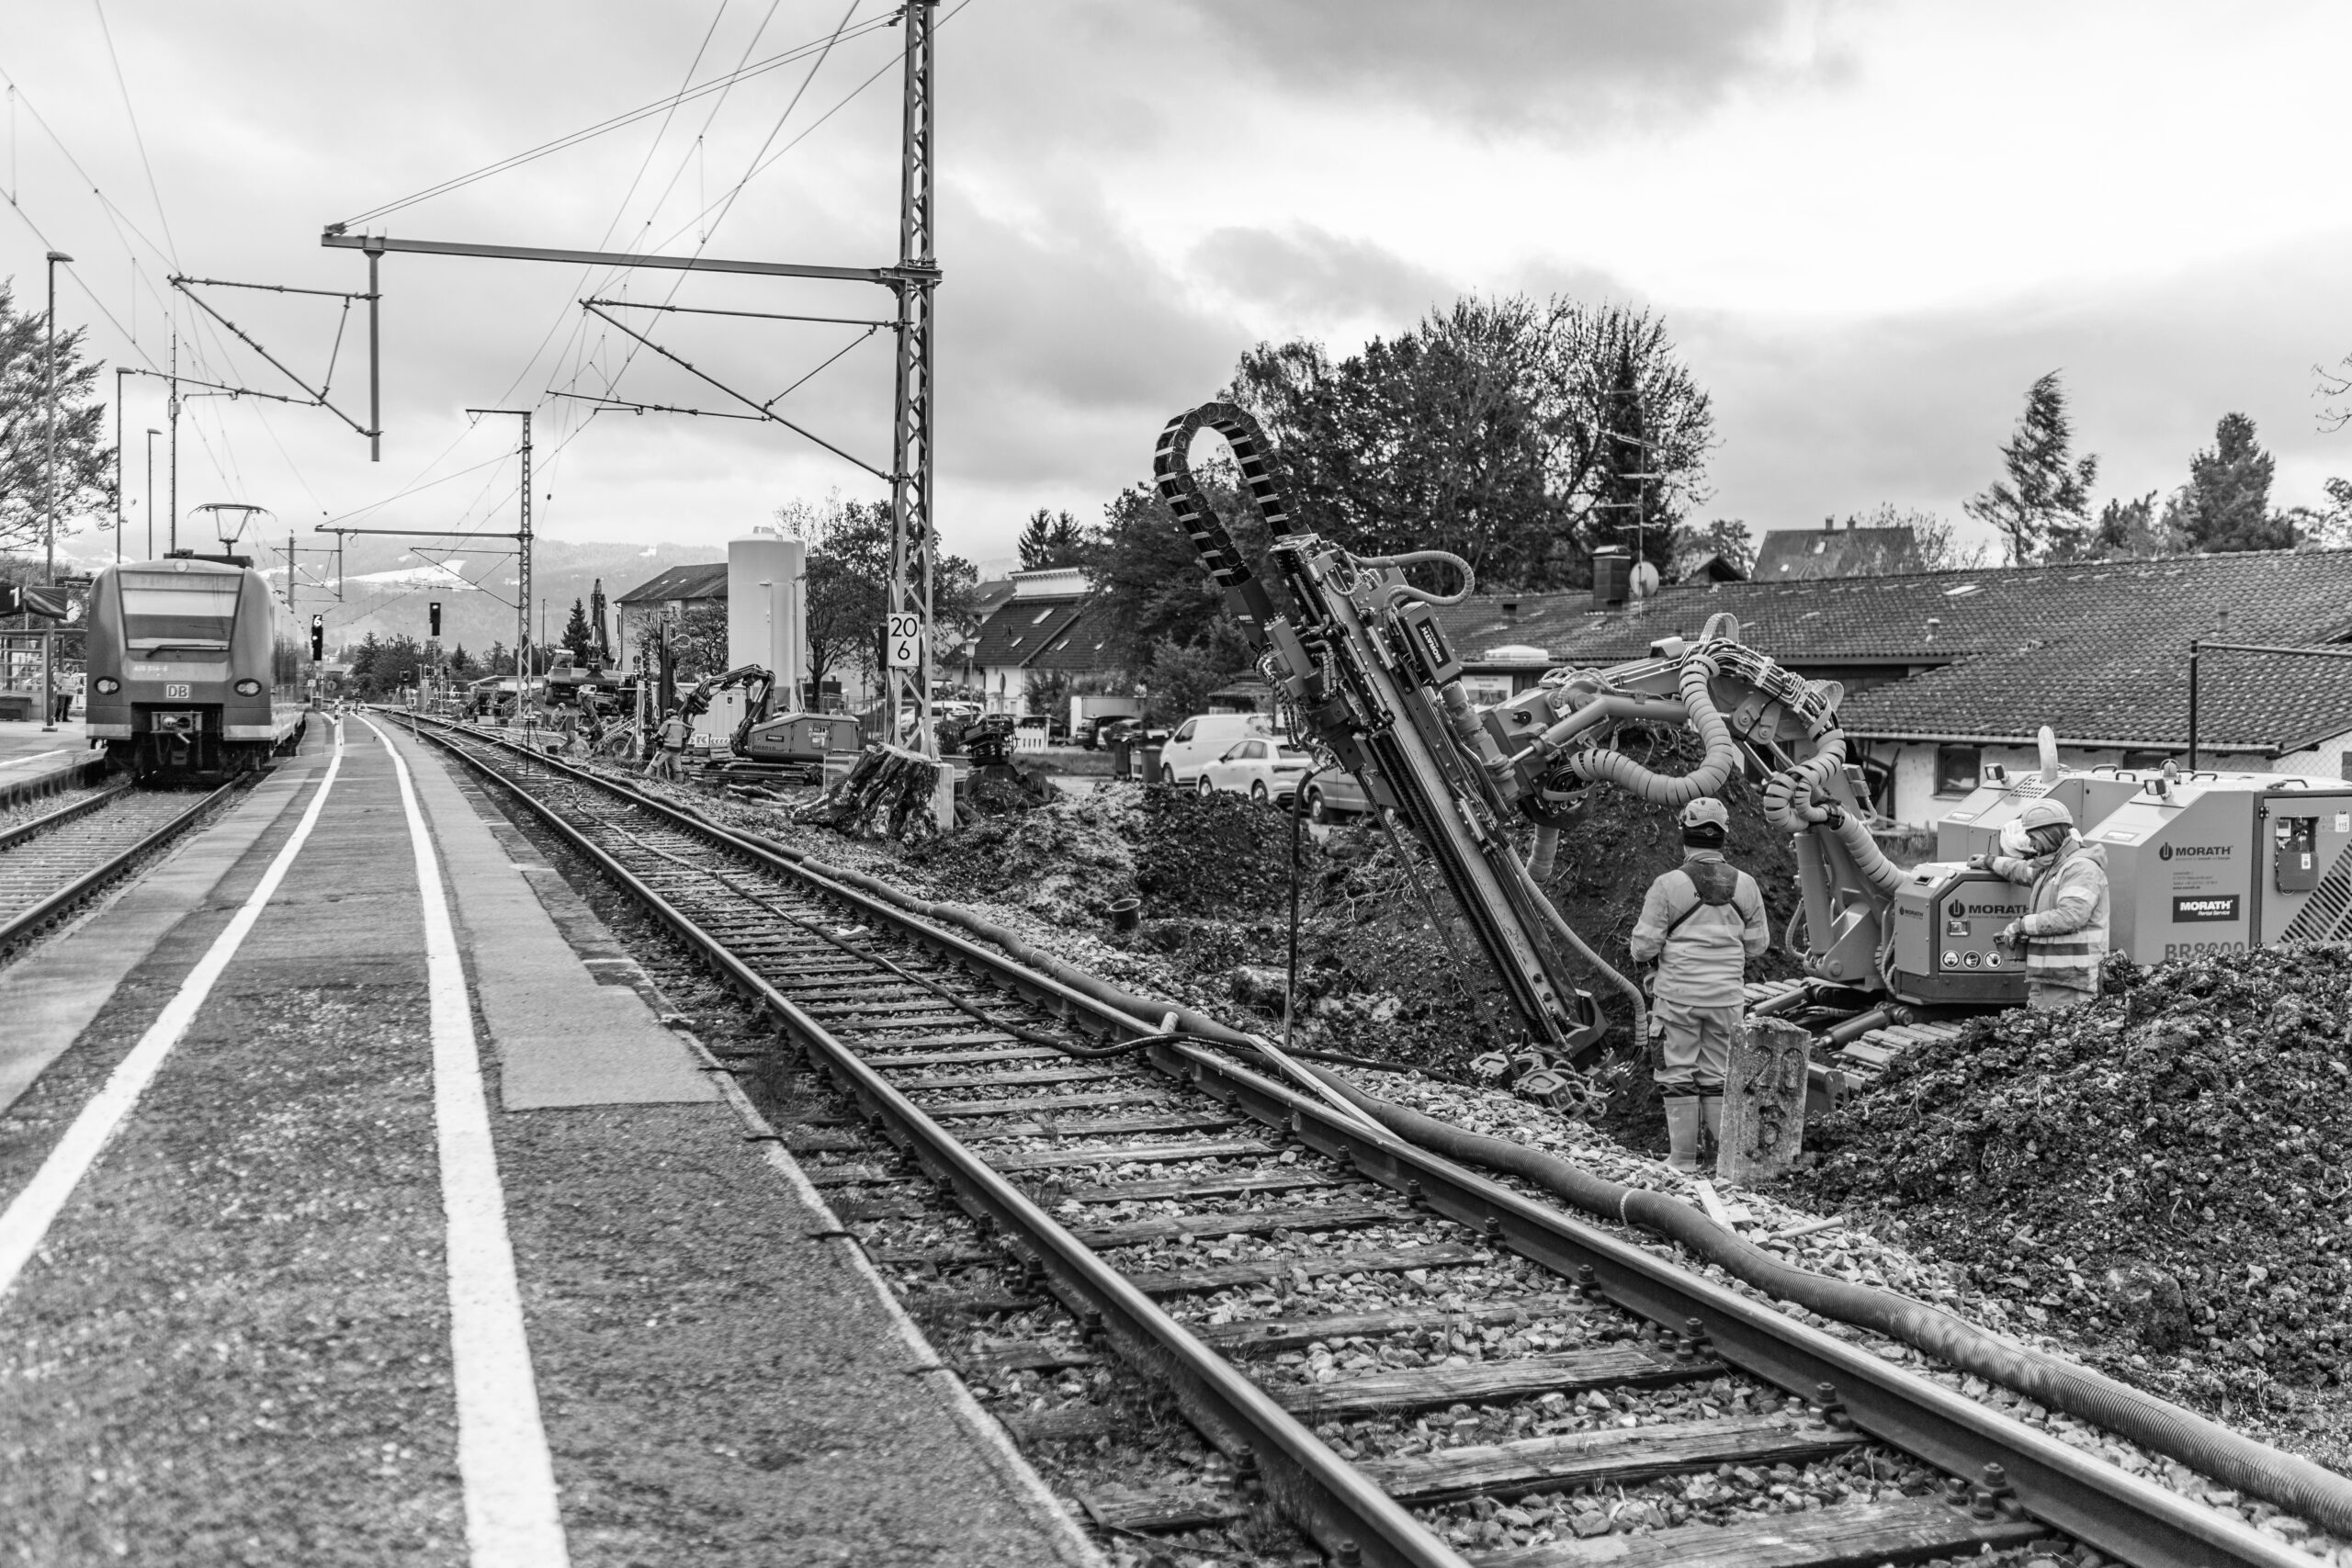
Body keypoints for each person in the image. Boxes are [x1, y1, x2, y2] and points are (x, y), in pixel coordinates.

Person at [1629, 796, 1771, 1174]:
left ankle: (1682, 1161)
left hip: (1678, 997)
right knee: (1715, 1076)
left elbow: (1644, 945)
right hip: (1727, 999)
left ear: (1684, 833)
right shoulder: (1746, 885)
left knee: (1677, 1073)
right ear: (1723, 835)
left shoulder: (1668, 885)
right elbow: (1757, 945)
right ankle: (1716, 1161)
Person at [1972, 797, 2109, 1010]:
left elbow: (2070, 917)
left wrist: (2021, 925)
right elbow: (2022, 870)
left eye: (2033, 837)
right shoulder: (2052, 867)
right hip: (2049, 979)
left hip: (2072, 983)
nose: (2031, 844)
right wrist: (1989, 861)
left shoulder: (2081, 869)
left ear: (2049, 834)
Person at [646, 706, 690, 780]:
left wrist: (653, 739)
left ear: (668, 715)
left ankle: (644, 776)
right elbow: (685, 738)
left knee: (656, 762)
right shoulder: (681, 724)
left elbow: (659, 735)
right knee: (678, 767)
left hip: (667, 748)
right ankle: (679, 783)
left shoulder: (667, 723)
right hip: (677, 750)